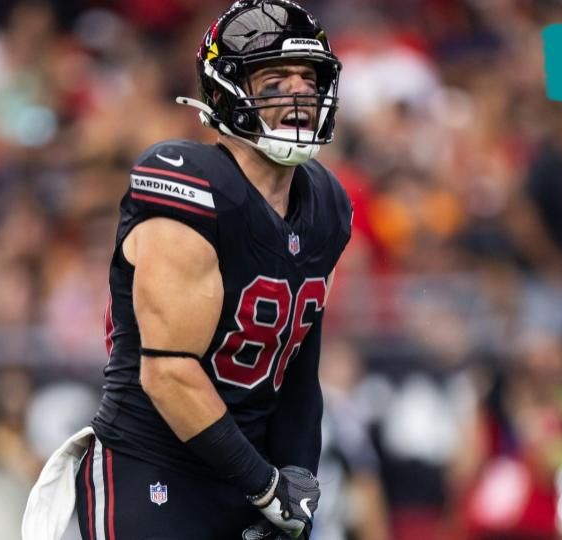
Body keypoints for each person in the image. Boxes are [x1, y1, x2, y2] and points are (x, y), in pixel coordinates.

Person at [62, 1, 349, 539]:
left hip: (251, 472)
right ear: (225, 93)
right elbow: (167, 371)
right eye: (275, 79)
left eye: (308, 78)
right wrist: (266, 486)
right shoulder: (188, 187)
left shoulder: (326, 205)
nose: (298, 94)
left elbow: (298, 367)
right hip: (154, 466)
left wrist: (297, 483)